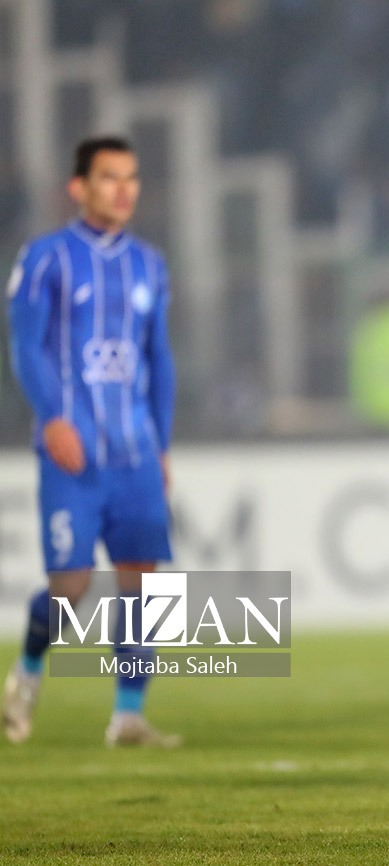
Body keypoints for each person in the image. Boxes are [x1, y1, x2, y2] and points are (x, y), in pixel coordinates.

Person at [3, 136, 180, 749]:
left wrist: (162, 444)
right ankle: (28, 671)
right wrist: (52, 417)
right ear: (78, 187)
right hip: (73, 455)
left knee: (143, 583)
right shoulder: (46, 258)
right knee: (71, 588)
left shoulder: (149, 264)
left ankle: (128, 716)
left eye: (131, 177)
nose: (124, 189)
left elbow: (159, 358)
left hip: (134, 452)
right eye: (109, 177)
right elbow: (25, 346)